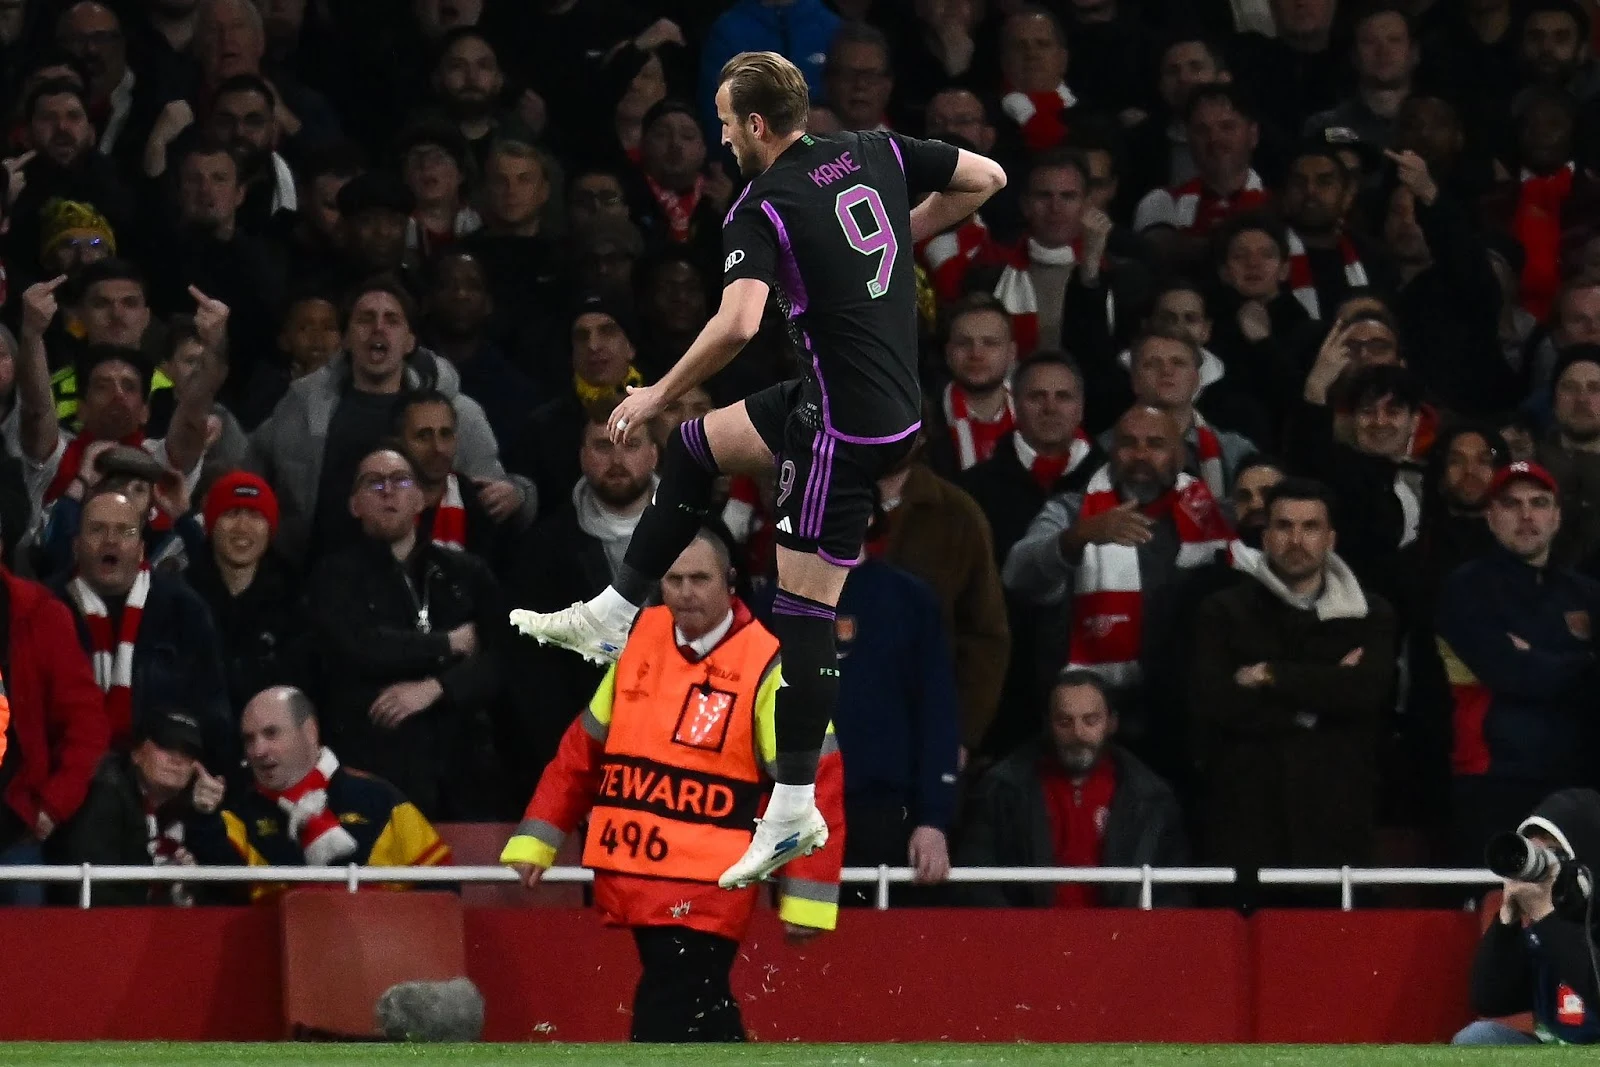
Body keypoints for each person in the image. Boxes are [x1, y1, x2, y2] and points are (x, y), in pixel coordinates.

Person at [511, 50, 1005, 887]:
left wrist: (662, 389)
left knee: (800, 604)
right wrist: (895, 234)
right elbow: (986, 177)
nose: (720, 131)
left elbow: (738, 324)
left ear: (755, 124)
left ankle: (791, 808)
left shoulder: (762, 202)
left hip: (842, 427)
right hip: (880, 404)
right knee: (700, 449)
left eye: (725, 118)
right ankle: (614, 609)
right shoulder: (872, 149)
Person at [501, 532, 844, 1043]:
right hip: (637, 871)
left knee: (671, 1002)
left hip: (712, 881)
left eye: (699, 578)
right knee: (695, 1004)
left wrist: (806, 898)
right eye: (673, 580)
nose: (685, 592)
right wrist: (540, 835)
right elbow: (583, 752)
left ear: (731, 583)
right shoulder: (638, 638)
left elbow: (816, 784)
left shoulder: (771, 667)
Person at [1188, 478, 1398, 888]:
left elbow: (1364, 692)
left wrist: (1271, 673)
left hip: (1336, 817)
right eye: (1284, 526)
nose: (1296, 539)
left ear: (1330, 538)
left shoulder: (1370, 613)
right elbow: (1218, 704)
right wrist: (1322, 691)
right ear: (1265, 536)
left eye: (1310, 527)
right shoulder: (1222, 611)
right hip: (1246, 817)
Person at [1003, 405, 1235, 771]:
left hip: (1180, 719)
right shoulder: (1071, 510)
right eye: (1129, 443)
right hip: (1085, 720)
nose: (1141, 454)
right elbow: (1017, 575)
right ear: (1111, 452)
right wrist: (1077, 537)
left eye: (1155, 444)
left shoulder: (1212, 518)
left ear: (1179, 455)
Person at [305, 445, 507, 820]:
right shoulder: (333, 576)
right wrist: (447, 643)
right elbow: (358, 646)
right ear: (354, 505)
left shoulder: (466, 573)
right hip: (372, 766)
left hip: (463, 771)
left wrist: (436, 689)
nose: (388, 491)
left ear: (420, 498)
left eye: (400, 480)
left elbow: (504, 657)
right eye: (373, 482)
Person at [1435, 461, 1600, 867]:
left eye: (1539, 503)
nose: (1526, 515)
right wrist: (1584, 661)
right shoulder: (1465, 587)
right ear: (1490, 517)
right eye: (1511, 504)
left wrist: (1538, 655)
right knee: (1496, 907)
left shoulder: (1586, 592)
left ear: (1557, 517)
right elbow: (1511, 674)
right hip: (1493, 778)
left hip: (1577, 777)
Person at [958, 669, 1190, 908]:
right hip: (1030, 939)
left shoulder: (1151, 798)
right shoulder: (1000, 790)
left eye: (1090, 720)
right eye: (1065, 722)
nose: (1078, 734)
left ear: (1112, 723)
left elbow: (1173, 893)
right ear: (1047, 724)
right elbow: (977, 879)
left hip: (1119, 940)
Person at [222, 686, 452, 898]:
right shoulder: (239, 813)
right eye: (249, 739)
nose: (258, 750)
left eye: (271, 734)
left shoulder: (378, 799)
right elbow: (222, 896)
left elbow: (443, 888)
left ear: (310, 731)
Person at [54, 485, 231, 755]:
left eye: (125, 531)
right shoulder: (45, 608)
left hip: (161, 775)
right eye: (97, 529)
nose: (111, 540)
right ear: (76, 547)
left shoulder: (183, 610)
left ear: (140, 549)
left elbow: (212, 709)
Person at [0, 520, 108, 906]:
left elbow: (87, 725)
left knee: (27, 963)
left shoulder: (40, 615)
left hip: (13, 837)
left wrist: (51, 805)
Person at [1455, 787, 1600, 1045]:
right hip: (1555, 1051)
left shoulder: (1547, 919)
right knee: (1477, 1039)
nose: (1541, 867)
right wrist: (1507, 918)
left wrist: (1547, 917)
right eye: (1534, 853)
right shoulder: (1541, 924)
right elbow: (1490, 1000)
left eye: (1554, 854)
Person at [48, 708, 233, 906]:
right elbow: (96, 893)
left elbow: (230, 892)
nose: (177, 759)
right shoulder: (105, 795)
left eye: (188, 752)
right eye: (166, 746)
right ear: (136, 754)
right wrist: (161, 895)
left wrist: (206, 817)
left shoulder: (196, 810)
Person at [183, 470, 302, 715]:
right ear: (211, 524)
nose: (242, 526)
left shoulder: (296, 599)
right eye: (231, 513)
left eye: (255, 515)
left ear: (270, 529)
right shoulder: (181, 596)